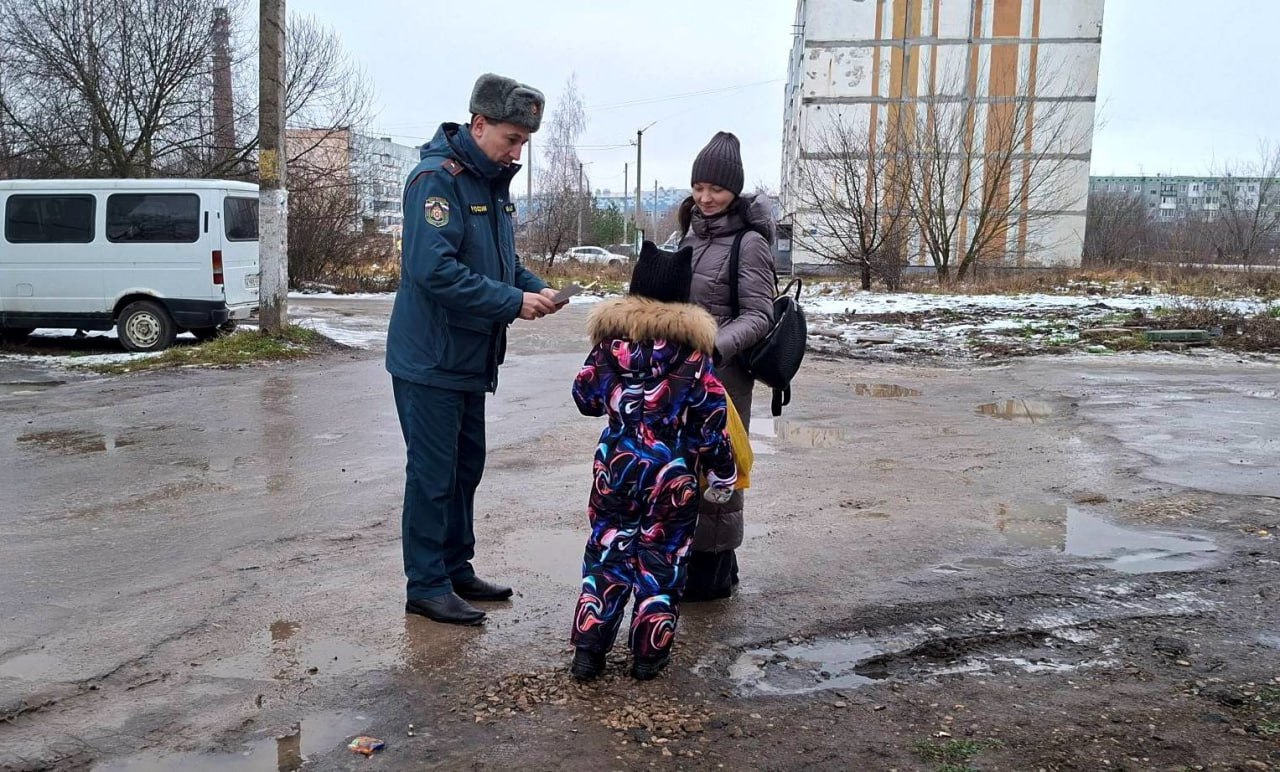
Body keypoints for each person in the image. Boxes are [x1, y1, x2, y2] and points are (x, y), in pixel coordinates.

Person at [387, 73, 563, 626]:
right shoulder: (436, 181)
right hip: (431, 359)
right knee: (433, 474)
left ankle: (456, 567)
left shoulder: (489, 185)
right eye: (511, 139)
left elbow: (498, 263)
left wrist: (531, 285)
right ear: (479, 125)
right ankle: (427, 583)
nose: (517, 152)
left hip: (467, 358)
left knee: (466, 468)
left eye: (523, 143)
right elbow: (433, 270)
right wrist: (512, 302)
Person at [568, 241, 737, 681]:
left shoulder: (609, 347)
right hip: (672, 476)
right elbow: (711, 423)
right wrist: (723, 472)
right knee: (661, 562)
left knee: (606, 556)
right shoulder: (694, 355)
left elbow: (584, 398)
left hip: (615, 468)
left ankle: (589, 651)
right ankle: (648, 657)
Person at [678, 131, 777, 602]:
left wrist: (714, 348)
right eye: (699, 187)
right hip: (680, 376)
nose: (706, 197)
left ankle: (713, 573)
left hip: (724, 376)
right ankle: (690, 562)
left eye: (715, 189)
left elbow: (760, 314)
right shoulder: (688, 234)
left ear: (733, 190)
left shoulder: (749, 243)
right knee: (683, 470)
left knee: (720, 470)